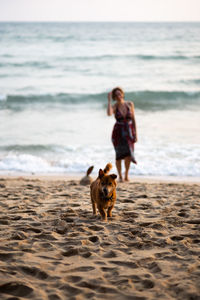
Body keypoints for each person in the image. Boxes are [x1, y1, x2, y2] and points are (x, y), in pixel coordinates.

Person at [107, 87, 138, 182]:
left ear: (122, 94)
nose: (118, 96)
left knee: (128, 154)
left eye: (119, 94)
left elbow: (133, 119)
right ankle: (120, 176)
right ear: (114, 97)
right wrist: (109, 101)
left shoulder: (130, 104)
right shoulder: (115, 107)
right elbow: (109, 113)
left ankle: (126, 175)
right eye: (116, 95)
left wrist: (135, 133)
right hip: (118, 132)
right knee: (119, 155)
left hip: (129, 131)